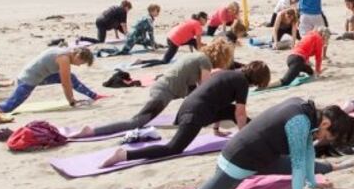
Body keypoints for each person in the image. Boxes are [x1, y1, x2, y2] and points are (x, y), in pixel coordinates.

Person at [105, 98, 354, 189]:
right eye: (327, 137)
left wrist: (312, 183)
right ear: (326, 124)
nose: (322, 140)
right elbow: (298, 164)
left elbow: (306, 152)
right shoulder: (300, 124)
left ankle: (327, 171)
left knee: (292, 165)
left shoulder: (306, 112)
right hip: (239, 160)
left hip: (262, 156)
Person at [99, 62, 271, 167]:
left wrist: (216, 130)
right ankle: (124, 155)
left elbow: (223, 105)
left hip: (190, 106)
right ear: (257, 79)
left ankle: (261, 135)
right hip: (194, 113)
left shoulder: (232, 74)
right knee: (174, 148)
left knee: (230, 110)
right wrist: (244, 139)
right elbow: (240, 114)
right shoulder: (241, 82)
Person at [68, 39, 235, 139]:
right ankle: (91, 130)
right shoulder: (204, 61)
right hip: (163, 92)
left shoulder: (196, 56)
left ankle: (183, 121)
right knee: (137, 122)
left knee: (193, 100)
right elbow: (205, 90)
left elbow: (195, 91)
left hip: (162, 87)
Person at [0, 47, 97, 116]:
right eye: (80, 62)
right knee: (7, 108)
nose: (79, 65)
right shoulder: (64, 58)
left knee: (71, 77)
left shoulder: (67, 52)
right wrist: (71, 102)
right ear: (77, 55)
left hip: (40, 76)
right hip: (28, 80)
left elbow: (67, 79)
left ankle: (94, 96)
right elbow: (65, 84)